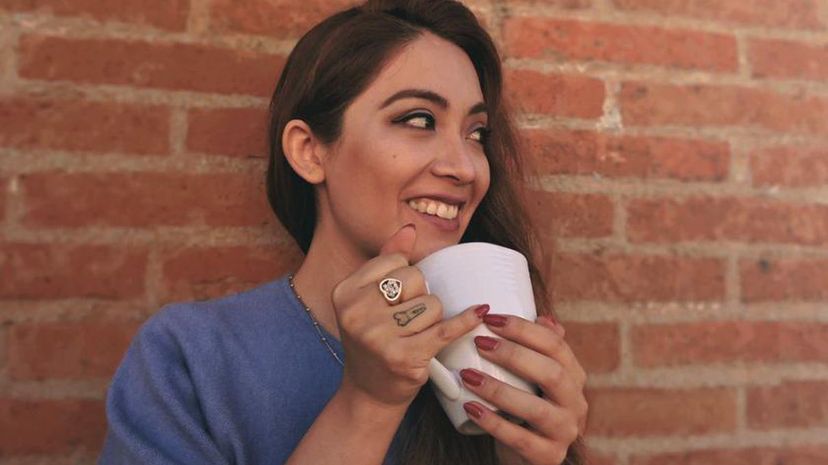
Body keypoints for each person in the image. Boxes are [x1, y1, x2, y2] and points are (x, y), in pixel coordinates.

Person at [97, 0, 588, 464]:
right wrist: (370, 401)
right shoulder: (191, 359)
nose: (465, 167)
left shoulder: (500, 361)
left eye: (475, 133)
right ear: (310, 151)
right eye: (418, 120)